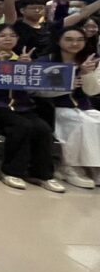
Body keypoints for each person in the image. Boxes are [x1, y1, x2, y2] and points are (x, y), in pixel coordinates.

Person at [0, 24, 64, 191]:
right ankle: (11, 171)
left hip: (23, 107)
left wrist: (28, 69)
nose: (7, 38)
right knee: (22, 126)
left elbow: (33, 89)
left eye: (12, 35)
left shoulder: (24, 59)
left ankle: (42, 174)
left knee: (43, 129)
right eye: (2, 35)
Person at [36, 26, 100, 188]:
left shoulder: (91, 61)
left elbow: (92, 92)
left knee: (95, 119)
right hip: (54, 107)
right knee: (80, 122)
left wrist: (87, 74)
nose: (75, 44)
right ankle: (69, 166)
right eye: (69, 39)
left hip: (84, 106)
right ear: (58, 41)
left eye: (80, 40)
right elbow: (36, 92)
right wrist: (66, 86)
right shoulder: (46, 61)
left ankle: (94, 167)